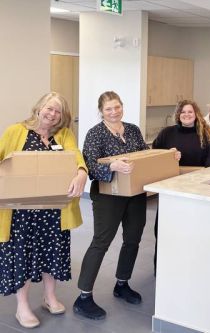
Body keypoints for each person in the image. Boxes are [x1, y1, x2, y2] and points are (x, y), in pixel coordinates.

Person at [0, 92, 87, 329]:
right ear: (39, 108)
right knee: (23, 256)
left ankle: (49, 298)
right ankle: (22, 306)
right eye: (49, 108)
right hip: (22, 212)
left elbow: (76, 156)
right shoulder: (15, 131)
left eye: (58, 111)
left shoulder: (64, 134)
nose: (52, 114)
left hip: (54, 210)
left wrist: (81, 172)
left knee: (53, 252)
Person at [73, 91, 149, 321]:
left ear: (122, 107)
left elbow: (146, 154)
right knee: (101, 242)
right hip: (108, 196)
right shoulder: (95, 134)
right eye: (109, 109)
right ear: (101, 111)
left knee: (133, 239)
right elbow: (89, 167)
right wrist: (112, 166)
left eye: (117, 107)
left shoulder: (133, 129)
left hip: (135, 194)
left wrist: (167, 156)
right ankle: (83, 297)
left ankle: (122, 283)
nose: (114, 112)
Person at [152, 99, 210, 274]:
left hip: (195, 191)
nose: (187, 115)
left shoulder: (207, 135)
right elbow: (153, 155)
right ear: (178, 115)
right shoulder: (167, 133)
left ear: (196, 114)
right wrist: (168, 155)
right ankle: (162, 270)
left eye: (190, 112)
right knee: (165, 231)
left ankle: (188, 271)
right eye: (183, 112)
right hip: (169, 190)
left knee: (191, 232)